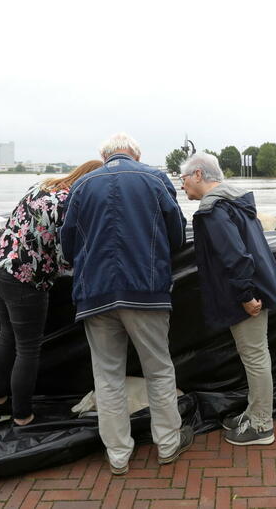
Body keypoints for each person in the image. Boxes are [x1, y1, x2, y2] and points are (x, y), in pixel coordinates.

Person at [59, 133, 190, 476]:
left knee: (107, 375)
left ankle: (118, 454)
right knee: (159, 369)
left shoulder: (83, 185)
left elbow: (67, 241)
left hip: (95, 294)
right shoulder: (155, 179)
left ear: (104, 155)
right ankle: (168, 444)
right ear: (135, 153)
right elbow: (176, 233)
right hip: (146, 291)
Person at [180, 152, 276, 446]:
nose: (182, 185)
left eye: (184, 178)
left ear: (199, 175)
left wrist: (245, 295)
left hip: (247, 295)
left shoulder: (213, 209)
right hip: (258, 288)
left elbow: (234, 256)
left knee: (254, 356)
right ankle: (254, 412)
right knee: (255, 354)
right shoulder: (234, 201)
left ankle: (262, 425)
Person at [0, 159, 103, 426]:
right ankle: (22, 415)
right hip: (24, 279)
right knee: (28, 348)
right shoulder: (69, 204)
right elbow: (64, 258)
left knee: (6, 335)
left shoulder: (41, 186)